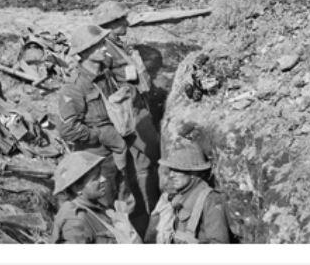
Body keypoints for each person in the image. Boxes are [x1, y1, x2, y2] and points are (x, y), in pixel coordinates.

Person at [57, 24, 158, 236]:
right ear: (85, 53)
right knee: (106, 205)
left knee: (130, 197)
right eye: (99, 45)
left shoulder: (105, 73)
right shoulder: (74, 87)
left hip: (120, 145)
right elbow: (68, 130)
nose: (105, 48)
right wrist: (100, 135)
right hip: (97, 159)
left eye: (104, 43)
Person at [145, 144, 232, 244]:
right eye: (171, 170)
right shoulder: (175, 196)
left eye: (178, 170)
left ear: (193, 173)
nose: (171, 175)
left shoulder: (210, 200)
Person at [51, 151, 116, 244]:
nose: (103, 179)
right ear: (77, 188)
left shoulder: (90, 204)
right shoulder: (75, 223)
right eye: (96, 178)